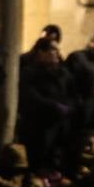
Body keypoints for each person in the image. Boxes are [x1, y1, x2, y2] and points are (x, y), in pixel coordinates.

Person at [17, 37, 75, 173]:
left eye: (57, 49)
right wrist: (54, 107)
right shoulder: (29, 73)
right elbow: (30, 97)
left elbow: (73, 94)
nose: (56, 53)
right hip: (39, 128)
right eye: (52, 50)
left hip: (60, 127)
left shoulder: (64, 73)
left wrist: (69, 108)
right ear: (40, 52)